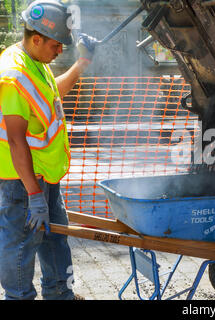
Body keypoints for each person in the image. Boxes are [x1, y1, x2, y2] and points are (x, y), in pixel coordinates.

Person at [0, 0, 97, 300]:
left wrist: (82, 63)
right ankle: (19, 297)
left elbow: (52, 94)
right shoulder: (13, 74)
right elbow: (16, 140)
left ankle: (59, 294)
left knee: (56, 236)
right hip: (21, 181)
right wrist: (33, 194)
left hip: (44, 175)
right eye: (57, 45)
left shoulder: (35, 64)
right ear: (37, 38)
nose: (60, 51)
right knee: (20, 244)